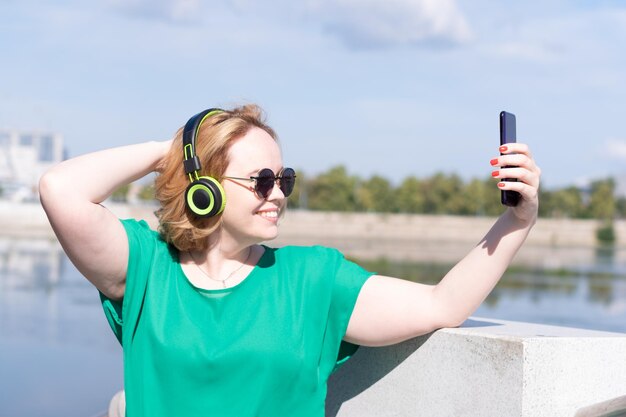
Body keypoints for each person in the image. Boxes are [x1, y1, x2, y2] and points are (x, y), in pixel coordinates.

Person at [39, 104, 541, 417]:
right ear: (202, 191)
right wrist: (172, 151)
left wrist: (518, 220)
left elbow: (442, 303)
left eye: (285, 179)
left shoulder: (313, 279)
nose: (277, 194)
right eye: (261, 180)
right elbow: (60, 190)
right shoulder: (147, 268)